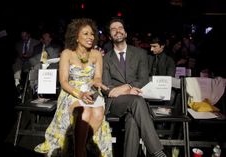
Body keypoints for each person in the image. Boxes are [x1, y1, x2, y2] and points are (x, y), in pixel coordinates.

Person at [35, 18, 112, 157]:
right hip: (71, 91)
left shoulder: (96, 54)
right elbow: (64, 82)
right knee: (85, 112)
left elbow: (98, 77)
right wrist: (80, 94)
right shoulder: (67, 54)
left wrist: (97, 82)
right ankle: (80, 152)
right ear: (76, 37)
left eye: (92, 34)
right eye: (86, 34)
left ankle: (81, 145)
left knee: (98, 113)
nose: (90, 37)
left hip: (91, 90)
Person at [102, 17, 167, 157]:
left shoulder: (140, 54)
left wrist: (128, 86)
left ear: (125, 33)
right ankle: (157, 151)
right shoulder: (105, 59)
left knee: (132, 121)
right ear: (110, 36)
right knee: (136, 101)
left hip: (136, 99)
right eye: (113, 29)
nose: (117, 31)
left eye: (120, 28)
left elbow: (143, 79)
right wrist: (126, 89)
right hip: (116, 103)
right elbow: (107, 87)